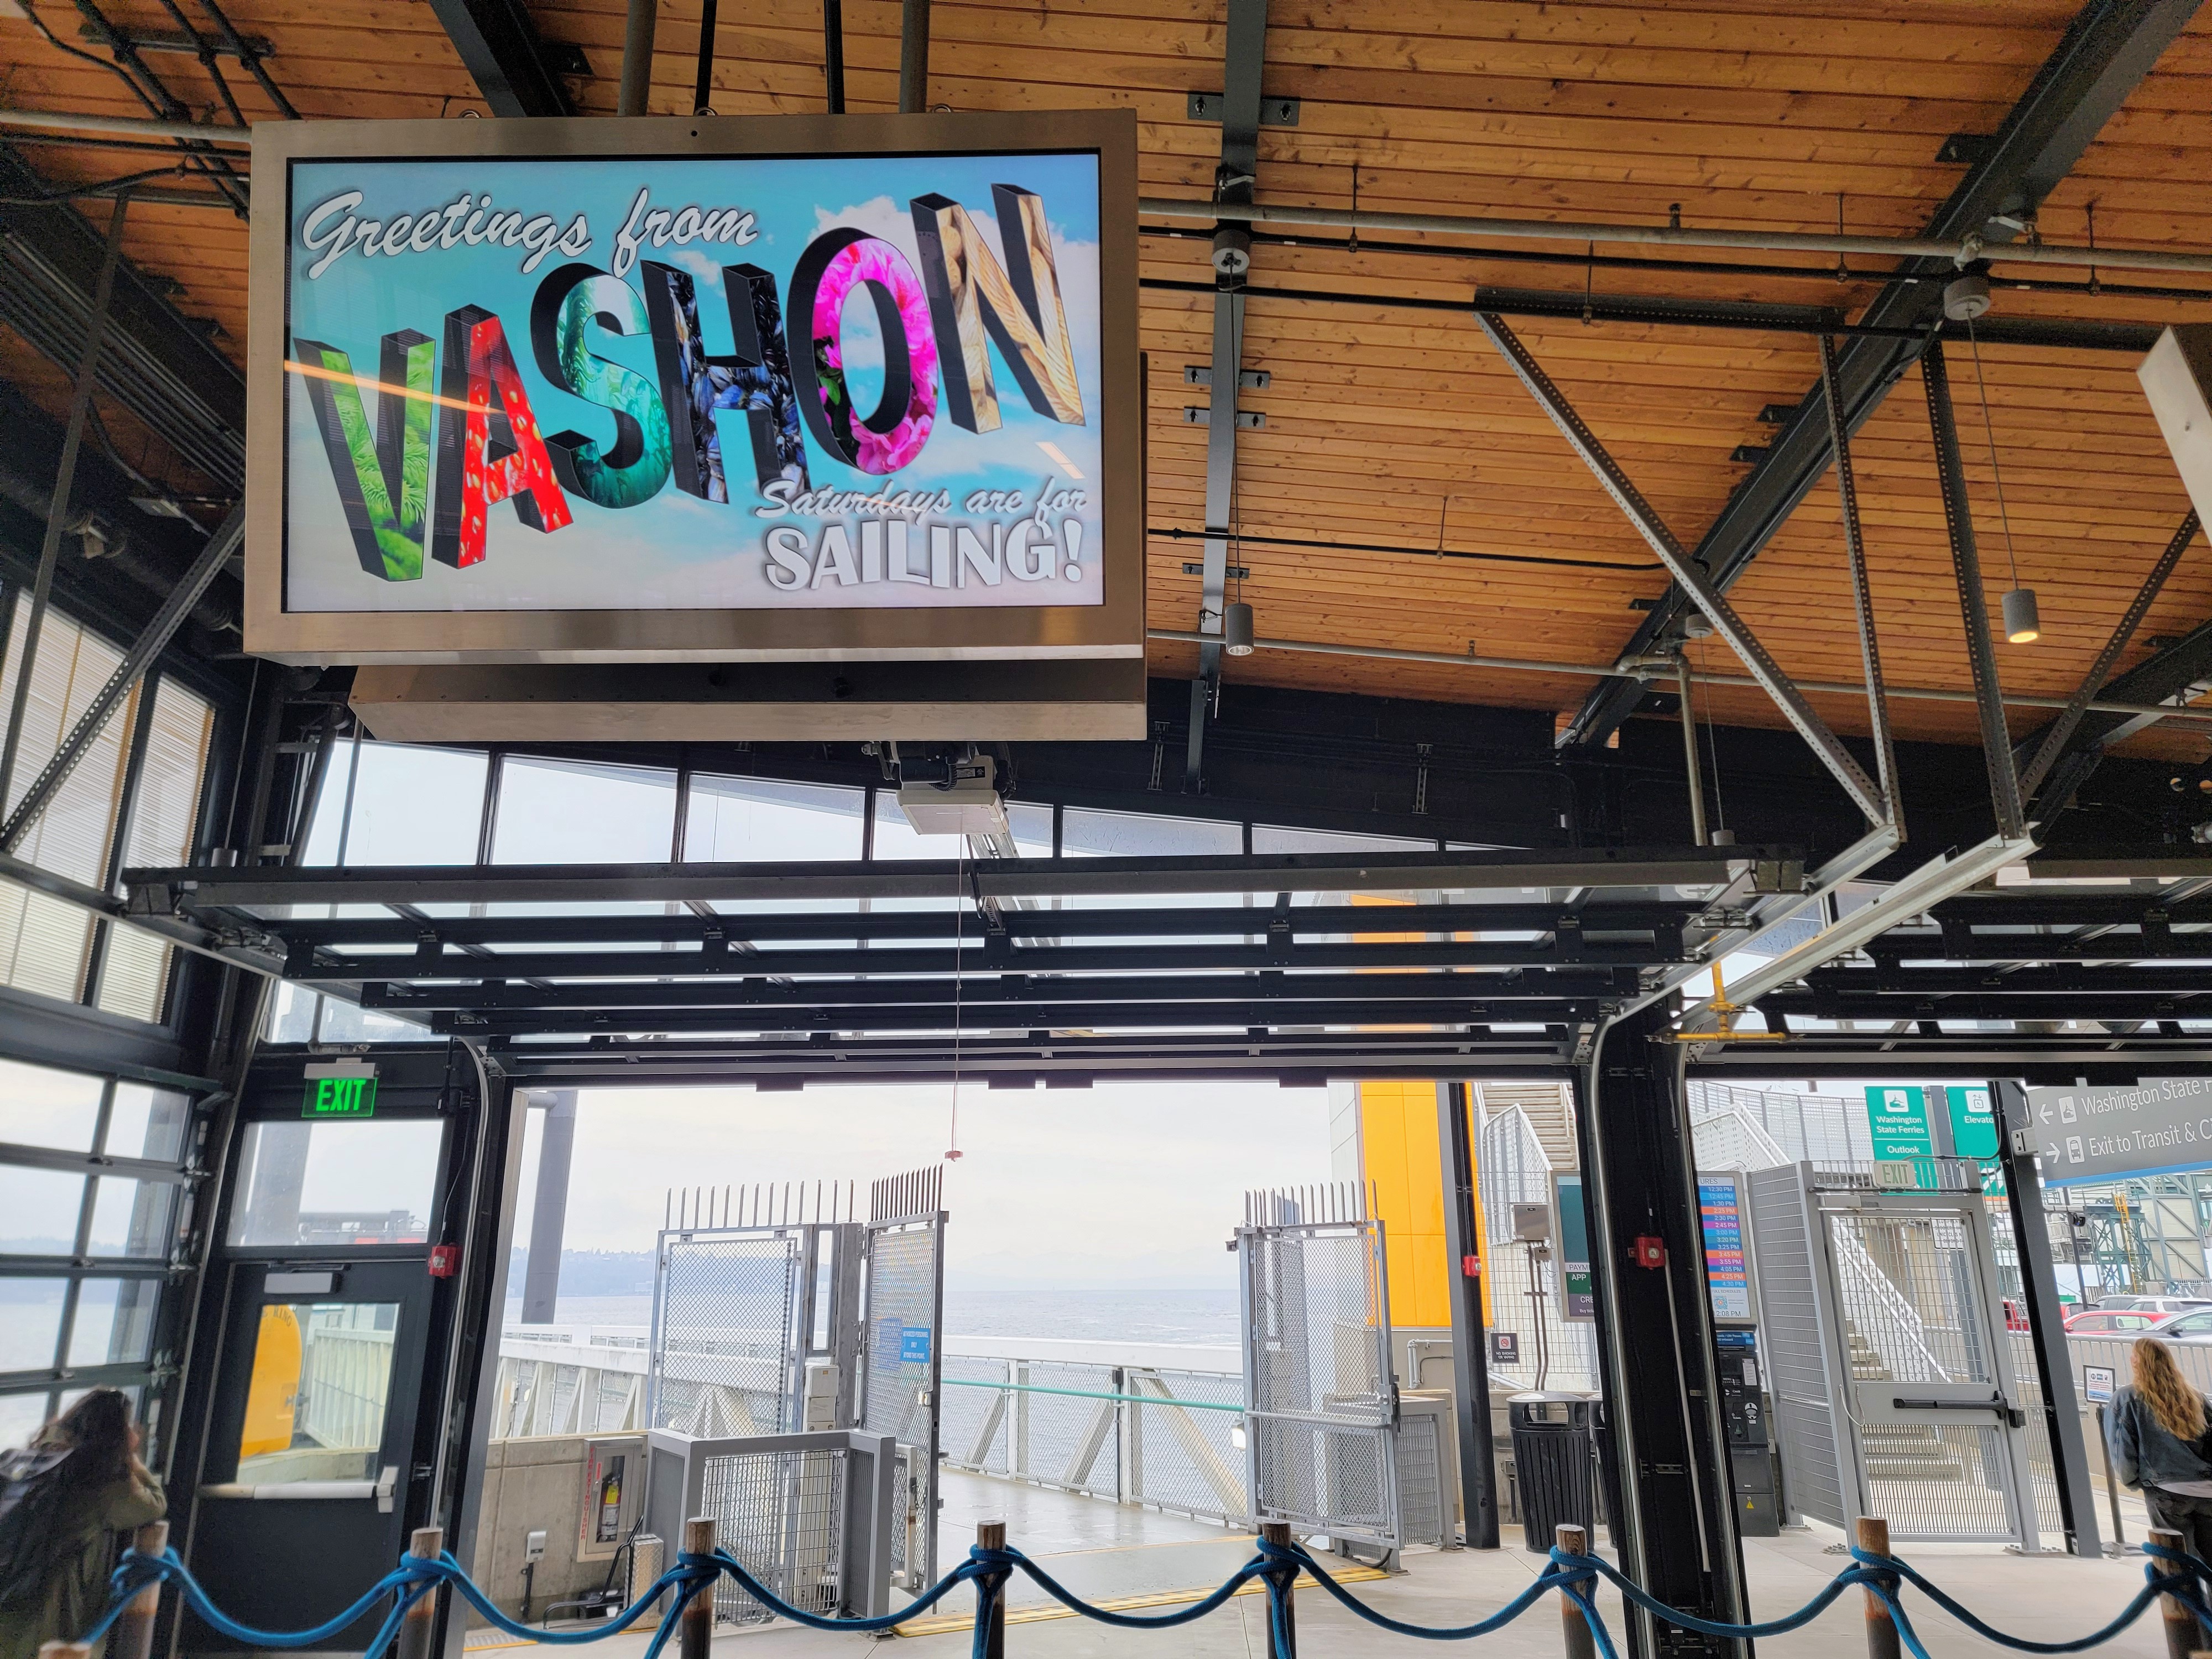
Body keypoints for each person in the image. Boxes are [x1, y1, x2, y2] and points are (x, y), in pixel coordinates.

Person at [0, 1391, 165, 1659]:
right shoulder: (102, 1483)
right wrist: (132, 1459)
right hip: (41, 1625)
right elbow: (154, 1504)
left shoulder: (21, 1460)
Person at [2108, 1335, 2212, 1562]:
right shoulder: (2196, 1397)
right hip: (2207, 1491)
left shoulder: (2127, 1399)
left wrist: (2133, 1482)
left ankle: (2185, 1599)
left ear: (2137, 1362)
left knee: (2176, 1564)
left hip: (2166, 1491)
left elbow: (2123, 1450)